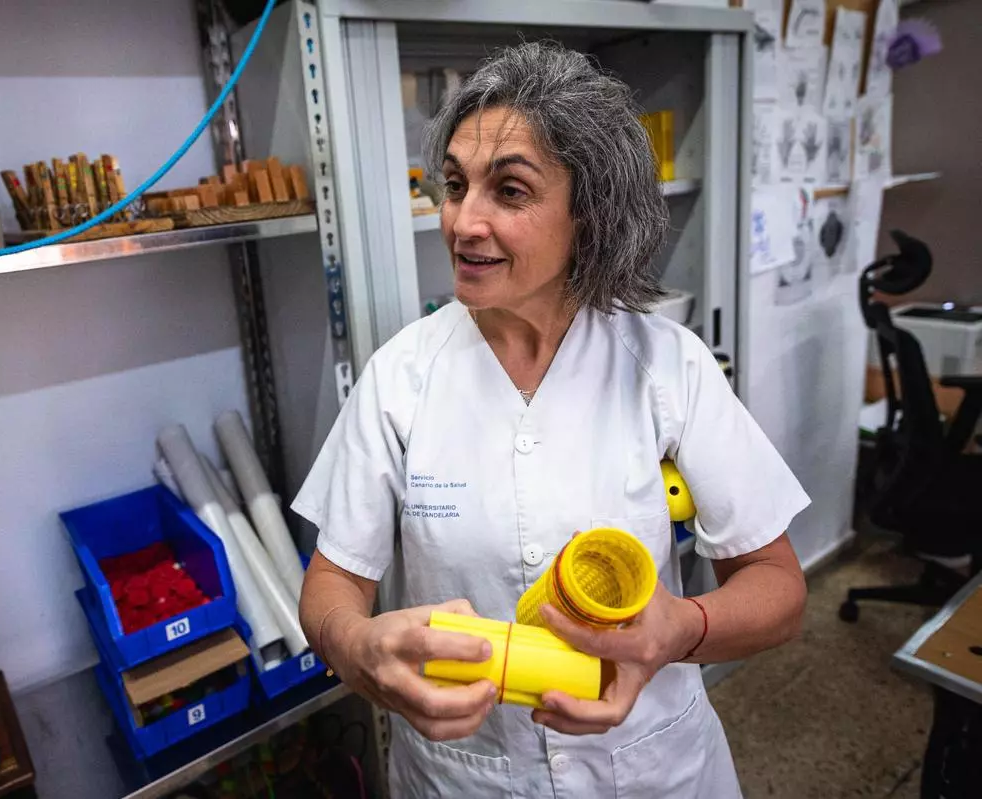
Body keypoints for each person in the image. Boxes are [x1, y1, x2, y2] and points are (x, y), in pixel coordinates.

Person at [292, 41, 810, 798]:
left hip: (652, 770)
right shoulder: (401, 378)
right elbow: (332, 583)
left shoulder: (667, 365)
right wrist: (356, 647)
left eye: (510, 191)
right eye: (455, 185)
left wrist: (680, 628)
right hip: (466, 776)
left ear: (589, 213)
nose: (464, 222)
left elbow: (778, 587)